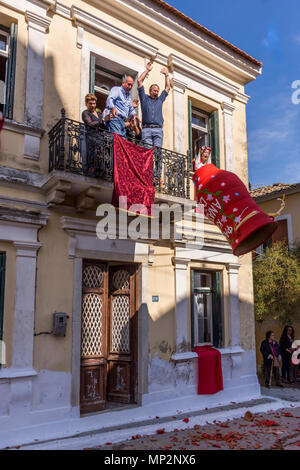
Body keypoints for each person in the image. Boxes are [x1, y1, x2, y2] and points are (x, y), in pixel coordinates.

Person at [137, 61, 170, 148]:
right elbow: (139, 81)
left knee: (158, 153)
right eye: (154, 90)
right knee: (148, 152)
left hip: (158, 129)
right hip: (146, 129)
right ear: (150, 91)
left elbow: (167, 88)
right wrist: (147, 70)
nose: (156, 92)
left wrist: (167, 75)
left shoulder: (160, 99)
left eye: (157, 91)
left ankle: (158, 162)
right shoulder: (144, 98)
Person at [82, 93, 108, 175]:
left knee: (101, 161)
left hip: (100, 139)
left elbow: (103, 126)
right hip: (91, 138)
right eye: (90, 103)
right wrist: (103, 120)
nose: (93, 105)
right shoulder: (85, 113)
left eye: (94, 103)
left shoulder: (99, 114)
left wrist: (108, 120)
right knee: (93, 160)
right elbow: (90, 124)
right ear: (86, 104)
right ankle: (91, 173)